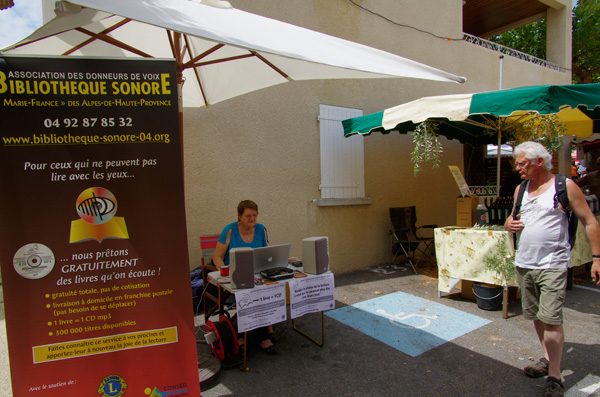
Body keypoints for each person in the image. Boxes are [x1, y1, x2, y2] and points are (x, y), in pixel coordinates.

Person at [504, 142, 600, 397]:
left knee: (552, 319)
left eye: (522, 163)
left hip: (552, 265)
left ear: (538, 162)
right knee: (536, 315)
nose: (517, 168)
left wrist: (598, 259)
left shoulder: (564, 186)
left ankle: (555, 376)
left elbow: (589, 222)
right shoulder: (520, 189)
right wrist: (508, 224)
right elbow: (512, 219)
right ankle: (547, 358)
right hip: (525, 262)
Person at [212, 200, 278, 355]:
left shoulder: (261, 229)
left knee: (269, 289)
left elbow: (264, 254)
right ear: (239, 216)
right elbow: (217, 256)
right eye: (248, 215)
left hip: (255, 274)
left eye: (255, 215)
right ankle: (260, 336)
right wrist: (225, 273)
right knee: (251, 295)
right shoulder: (229, 230)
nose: (252, 219)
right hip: (234, 274)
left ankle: (249, 332)